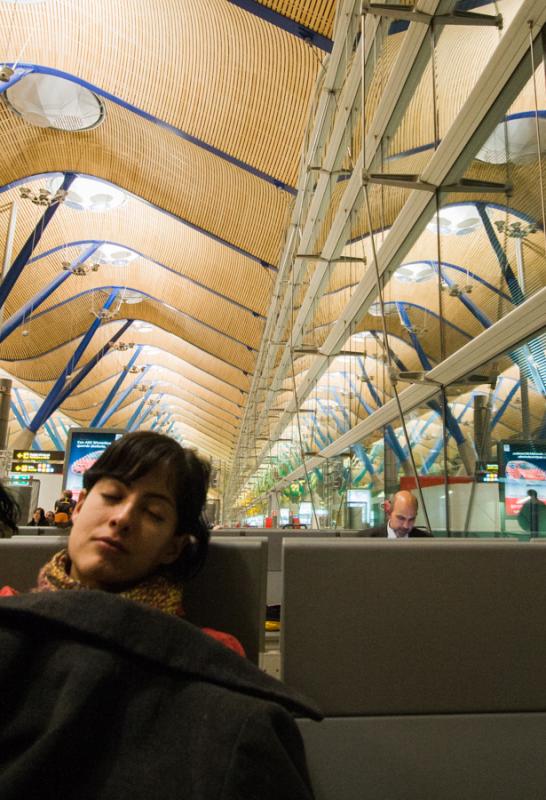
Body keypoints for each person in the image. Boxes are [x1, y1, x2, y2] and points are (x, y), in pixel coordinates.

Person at [0, 431, 319, 799]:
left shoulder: (210, 659)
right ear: (79, 505)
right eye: (112, 496)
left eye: (153, 513)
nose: (123, 518)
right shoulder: (11, 616)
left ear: (173, 547)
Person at [359, 490, 433, 538]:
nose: (406, 526)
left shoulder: (426, 541)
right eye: (401, 518)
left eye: (411, 519)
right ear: (389, 513)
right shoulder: (365, 539)